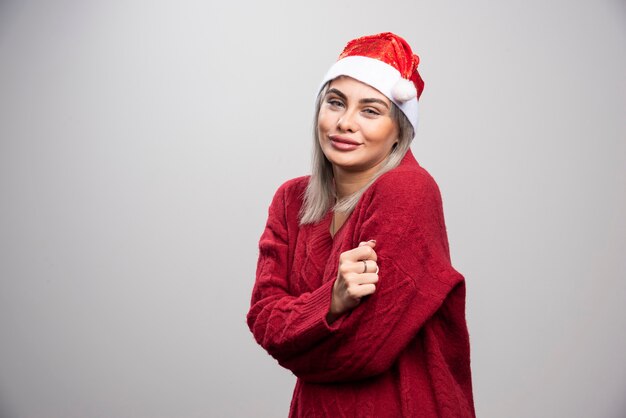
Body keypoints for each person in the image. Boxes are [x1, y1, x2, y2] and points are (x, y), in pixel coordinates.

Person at [247, 32, 475, 418]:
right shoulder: (290, 200)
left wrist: (299, 343)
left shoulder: (409, 190)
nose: (345, 123)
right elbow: (263, 319)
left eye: (370, 110)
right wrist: (331, 303)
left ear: (400, 131)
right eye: (335, 103)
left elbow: (364, 351)